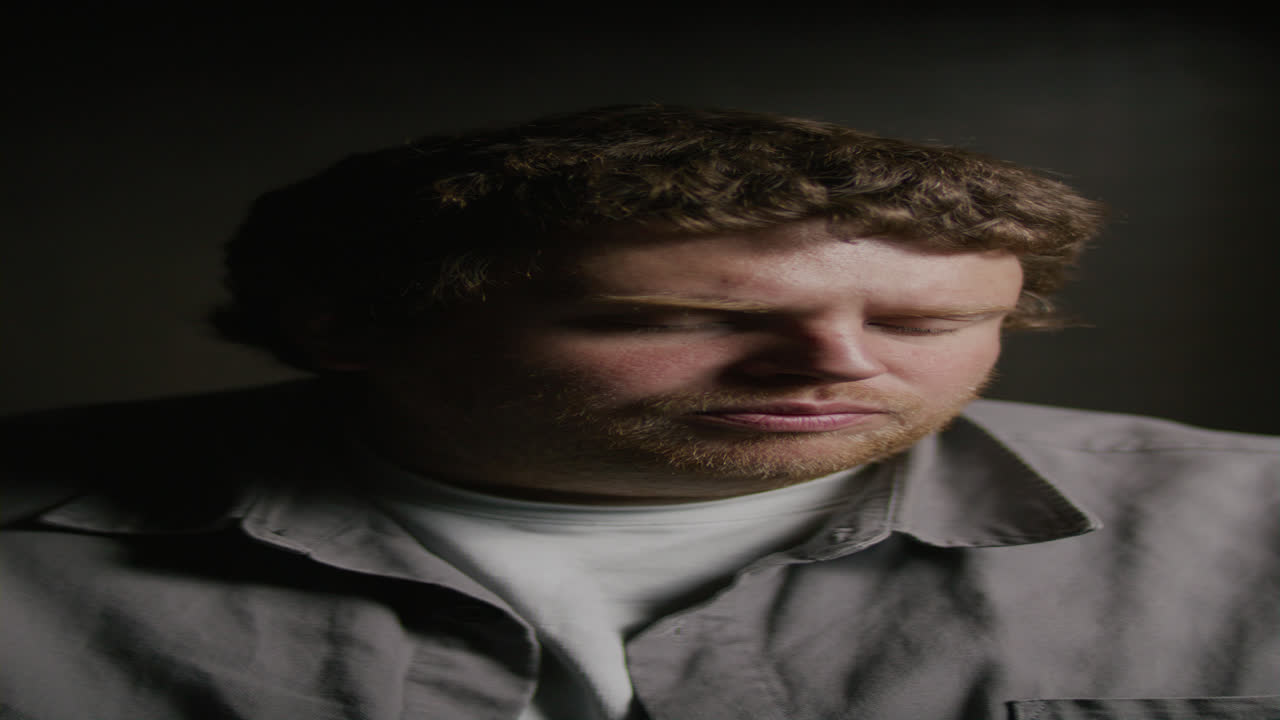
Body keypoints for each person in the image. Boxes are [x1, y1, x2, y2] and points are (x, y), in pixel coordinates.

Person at [1, 104, 1276, 720]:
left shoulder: (1253, 529)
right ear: (349, 321)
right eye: (683, 317)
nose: (831, 366)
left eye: (924, 325)